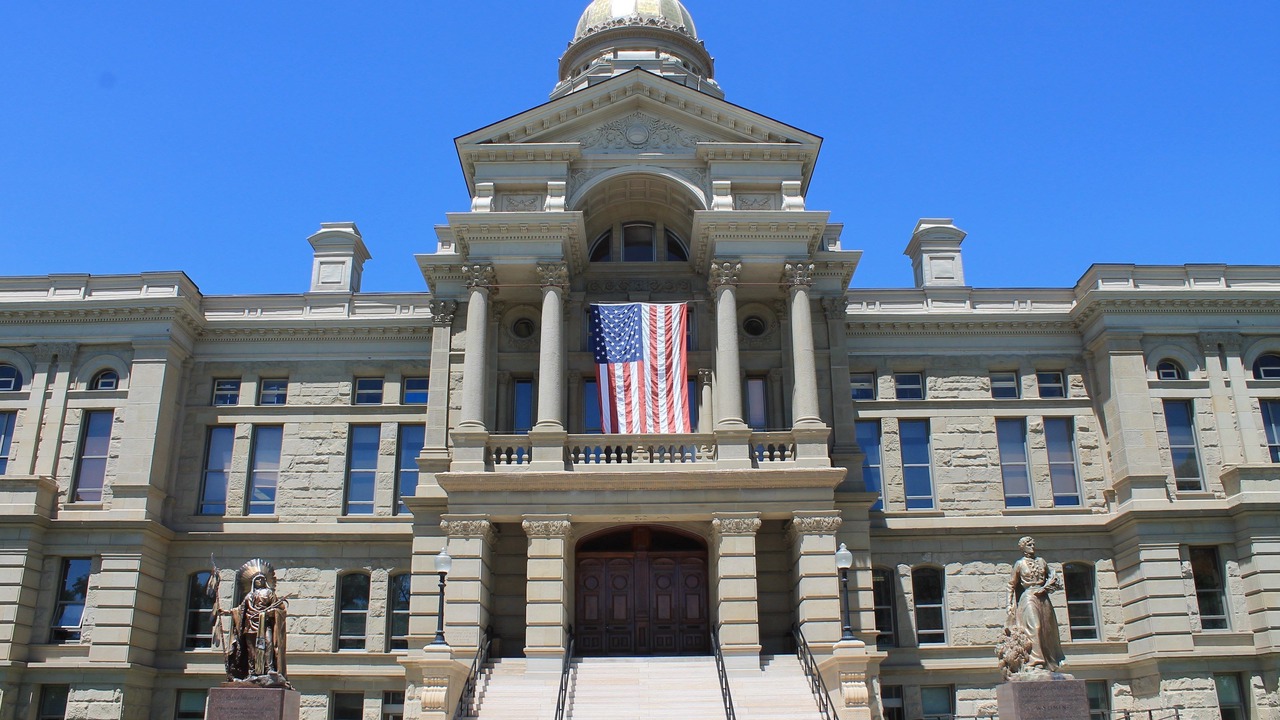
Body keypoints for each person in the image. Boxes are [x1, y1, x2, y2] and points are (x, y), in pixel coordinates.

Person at [1006, 536, 1065, 672]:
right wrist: (1009, 604)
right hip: (1028, 596)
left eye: (1033, 544)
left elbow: (1053, 576)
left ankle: (1050, 661)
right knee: (1035, 627)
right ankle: (1036, 661)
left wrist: (1048, 585)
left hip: (1043, 596)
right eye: (1029, 545)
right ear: (1023, 548)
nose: (1032, 547)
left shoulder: (1041, 561)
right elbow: (1011, 585)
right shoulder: (1019, 564)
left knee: (1047, 629)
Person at [226, 559, 288, 684]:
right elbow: (240, 610)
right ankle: (252, 672)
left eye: (262, 578)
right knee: (251, 650)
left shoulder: (269, 593)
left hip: (265, 625)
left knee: (269, 644)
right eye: (258, 579)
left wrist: (271, 612)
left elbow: (280, 609)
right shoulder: (249, 596)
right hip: (250, 626)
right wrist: (228, 612)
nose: (260, 580)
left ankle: (269, 668)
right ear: (254, 581)